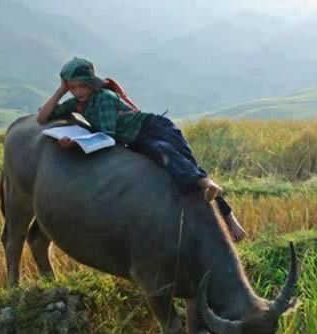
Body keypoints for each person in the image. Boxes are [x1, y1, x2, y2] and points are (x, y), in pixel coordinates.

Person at [37, 57, 246, 242]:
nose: (77, 91)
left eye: (81, 86)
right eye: (72, 88)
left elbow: (107, 136)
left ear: (91, 84)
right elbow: (42, 117)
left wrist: (75, 143)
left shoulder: (103, 99)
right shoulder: (79, 103)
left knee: (178, 160)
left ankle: (225, 211)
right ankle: (204, 185)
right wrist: (60, 91)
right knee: (162, 154)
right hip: (137, 139)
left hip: (155, 127)